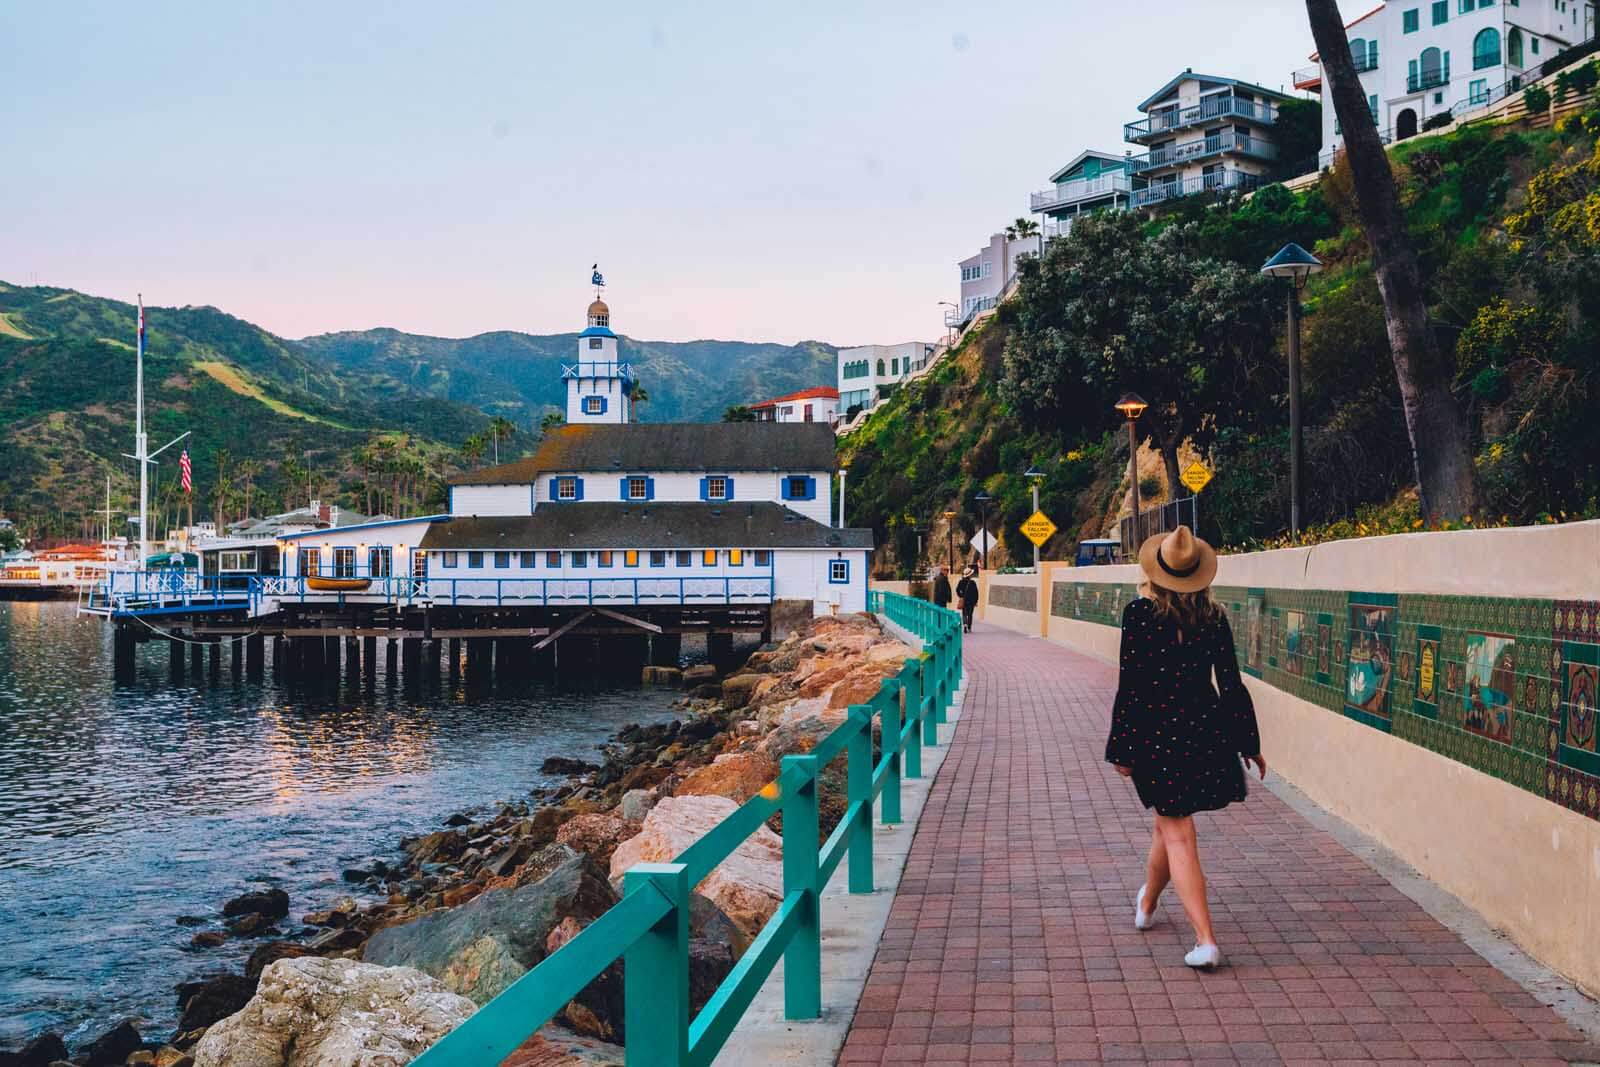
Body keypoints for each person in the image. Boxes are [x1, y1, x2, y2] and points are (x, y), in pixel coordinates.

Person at [1104, 525, 1266, 970]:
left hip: (1157, 736)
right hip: (1203, 733)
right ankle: (1149, 901)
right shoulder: (1213, 618)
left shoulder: (1138, 615)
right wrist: (1248, 743)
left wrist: (1122, 746)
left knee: (1177, 830)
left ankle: (1206, 939)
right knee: (1169, 824)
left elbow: (1131, 686)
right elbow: (1231, 685)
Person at [955, 566, 979, 633]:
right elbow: (976, 593)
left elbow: (957, 590)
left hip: (964, 601)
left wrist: (960, 596)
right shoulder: (972, 583)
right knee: (970, 614)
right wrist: (976, 601)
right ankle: (969, 627)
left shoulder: (961, 582)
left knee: (964, 613)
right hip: (971, 602)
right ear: (970, 575)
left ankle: (965, 624)